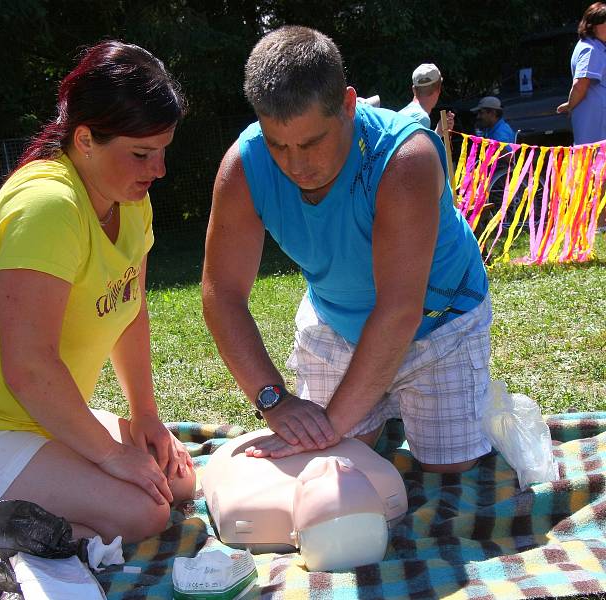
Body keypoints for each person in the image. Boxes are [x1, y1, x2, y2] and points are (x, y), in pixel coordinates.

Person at [0, 41, 195, 544]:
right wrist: (112, 455)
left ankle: (22, 526)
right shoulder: (48, 206)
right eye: (141, 154)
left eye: (162, 151)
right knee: (143, 514)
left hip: (27, 415)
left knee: (178, 483)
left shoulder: (129, 198)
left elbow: (129, 310)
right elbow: (29, 368)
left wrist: (147, 418)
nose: (158, 170)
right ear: (86, 139)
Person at [202, 26, 492, 474]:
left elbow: (399, 310)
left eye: (311, 142)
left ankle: (407, 401)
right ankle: (387, 404)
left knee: (449, 470)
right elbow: (222, 294)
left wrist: (329, 425)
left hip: (440, 321)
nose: (295, 165)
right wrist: (273, 400)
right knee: (334, 462)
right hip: (336, 320)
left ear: (349, 104)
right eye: (278, 144)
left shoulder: (405, 159)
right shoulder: (243, 166)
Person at [557, 2, 606, 145]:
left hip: (595, 115)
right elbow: (580, 84)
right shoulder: (591, 49)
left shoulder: (595, 46)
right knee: (593, 160)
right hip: (595, 118)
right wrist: (570, 105)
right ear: (593, 25)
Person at [398, 63, 455, 135]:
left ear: (413, 90)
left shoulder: (402, 114)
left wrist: (438, 132)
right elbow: (415, 146)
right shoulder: (422, 118)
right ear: (439, 89)